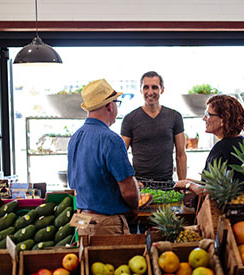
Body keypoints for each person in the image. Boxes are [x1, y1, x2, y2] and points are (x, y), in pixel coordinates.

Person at [67, 79, 140, 236]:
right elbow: (129, 191)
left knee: (85, 259)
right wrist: (134, 207)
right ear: (110, 105)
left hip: (80, 219)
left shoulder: (76, 137)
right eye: (116, 103)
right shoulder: (111, 139)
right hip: (104, 224)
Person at [174, 94, 244, 194]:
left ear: (223, 119)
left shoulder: (222, 147)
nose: (204, 118)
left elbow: (211, 191)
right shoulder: (241, 142)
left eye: (208, 114)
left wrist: (188, 185)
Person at [121, 71, 187, 182]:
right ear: (141, 90)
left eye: (154, 87)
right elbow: (121, 155)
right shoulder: (130, 119)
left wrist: (183, 184)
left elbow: (181, 155)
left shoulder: (175, 117)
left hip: (166, 183)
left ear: (162, 90)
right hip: (139, 185)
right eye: (146, 87)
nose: (150, 92)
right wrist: (129, 181)